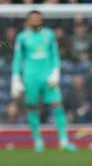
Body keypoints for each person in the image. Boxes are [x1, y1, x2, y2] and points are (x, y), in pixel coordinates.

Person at [10, 10, 77, 152]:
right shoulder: (22, 37)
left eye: (37, 18)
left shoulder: (49, 35)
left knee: (57, 105)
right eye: (32, 18)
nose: (35, 21)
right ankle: (38, 141)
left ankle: (64, 141)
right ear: (28, 21)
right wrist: (16, 77)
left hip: (48, 76)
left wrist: (56, 71)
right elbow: (18, 58)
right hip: (30, 77)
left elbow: (55, 54)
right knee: (32, 107)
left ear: (41, 20)